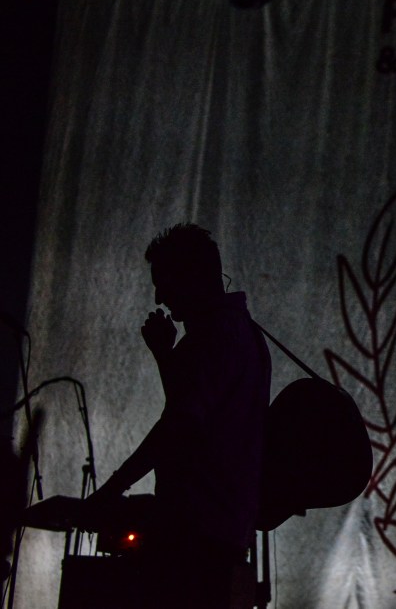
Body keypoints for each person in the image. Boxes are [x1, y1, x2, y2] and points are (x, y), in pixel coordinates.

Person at [86, 223, 271, 608]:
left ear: (192, 277)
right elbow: (194, 411)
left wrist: (112, 488)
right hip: (219, 529)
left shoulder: (212, 337)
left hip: (195, 533)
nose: (160, 296)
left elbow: (179, 427)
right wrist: (165, 358)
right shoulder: (242, 333)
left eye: (165, 282)